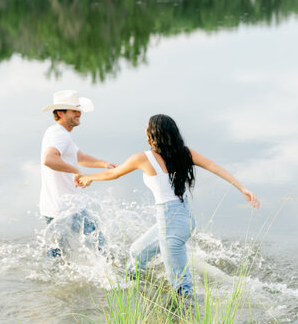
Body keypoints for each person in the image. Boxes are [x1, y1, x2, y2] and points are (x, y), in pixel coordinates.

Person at [75, 113, 259, 298]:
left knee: (181, 286)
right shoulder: (184, 153)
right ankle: (133, 295)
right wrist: (241, 188)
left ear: (152, 133)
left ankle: (189, 319)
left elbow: (113, 174)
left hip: (170, 223)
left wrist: (87, 177)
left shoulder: (144, 158)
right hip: (184, 218)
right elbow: (214, 166)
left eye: (147, 127)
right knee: (137, 253)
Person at [40, 89, 116, 257]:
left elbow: (79, 156)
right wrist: (76, 172)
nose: (78, 113)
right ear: (60, 113)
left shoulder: (58, 133)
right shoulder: (59, 135)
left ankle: (56, 282)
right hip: (66, 208)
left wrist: (104, 164)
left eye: (78, 109)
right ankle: (115, 275)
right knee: (100, 246)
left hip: (55, 207)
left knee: (57, 256)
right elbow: (49, 159)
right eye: (74, 110)